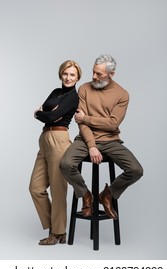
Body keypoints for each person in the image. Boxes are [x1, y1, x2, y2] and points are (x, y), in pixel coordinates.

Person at [60, 54, 143, 220]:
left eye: (99, 74)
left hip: (111, 140)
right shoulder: (83, 88)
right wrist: (91, 145)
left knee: (136, 170)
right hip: (85, 139)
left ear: (111, 74)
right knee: (65, 164)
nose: (94, 76)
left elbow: (112, 124)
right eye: (93, 72)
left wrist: (87, 118)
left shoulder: (122, 94)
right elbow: (81, 123)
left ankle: (107, 194)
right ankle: (86, 195)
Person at [29, 60, 82, 245]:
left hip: (59, 140)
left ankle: (58, 233)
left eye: (72, 75)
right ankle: (55, 226)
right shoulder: (55, 92)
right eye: (65, 74)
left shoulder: (74, 96)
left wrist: (38, 114)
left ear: (77, 77)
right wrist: (47, 114)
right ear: (61, 74)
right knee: (35, 188)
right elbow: (49, 113)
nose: (68, 78)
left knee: (58, 190)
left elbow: (48, 115)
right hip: (44, 139)